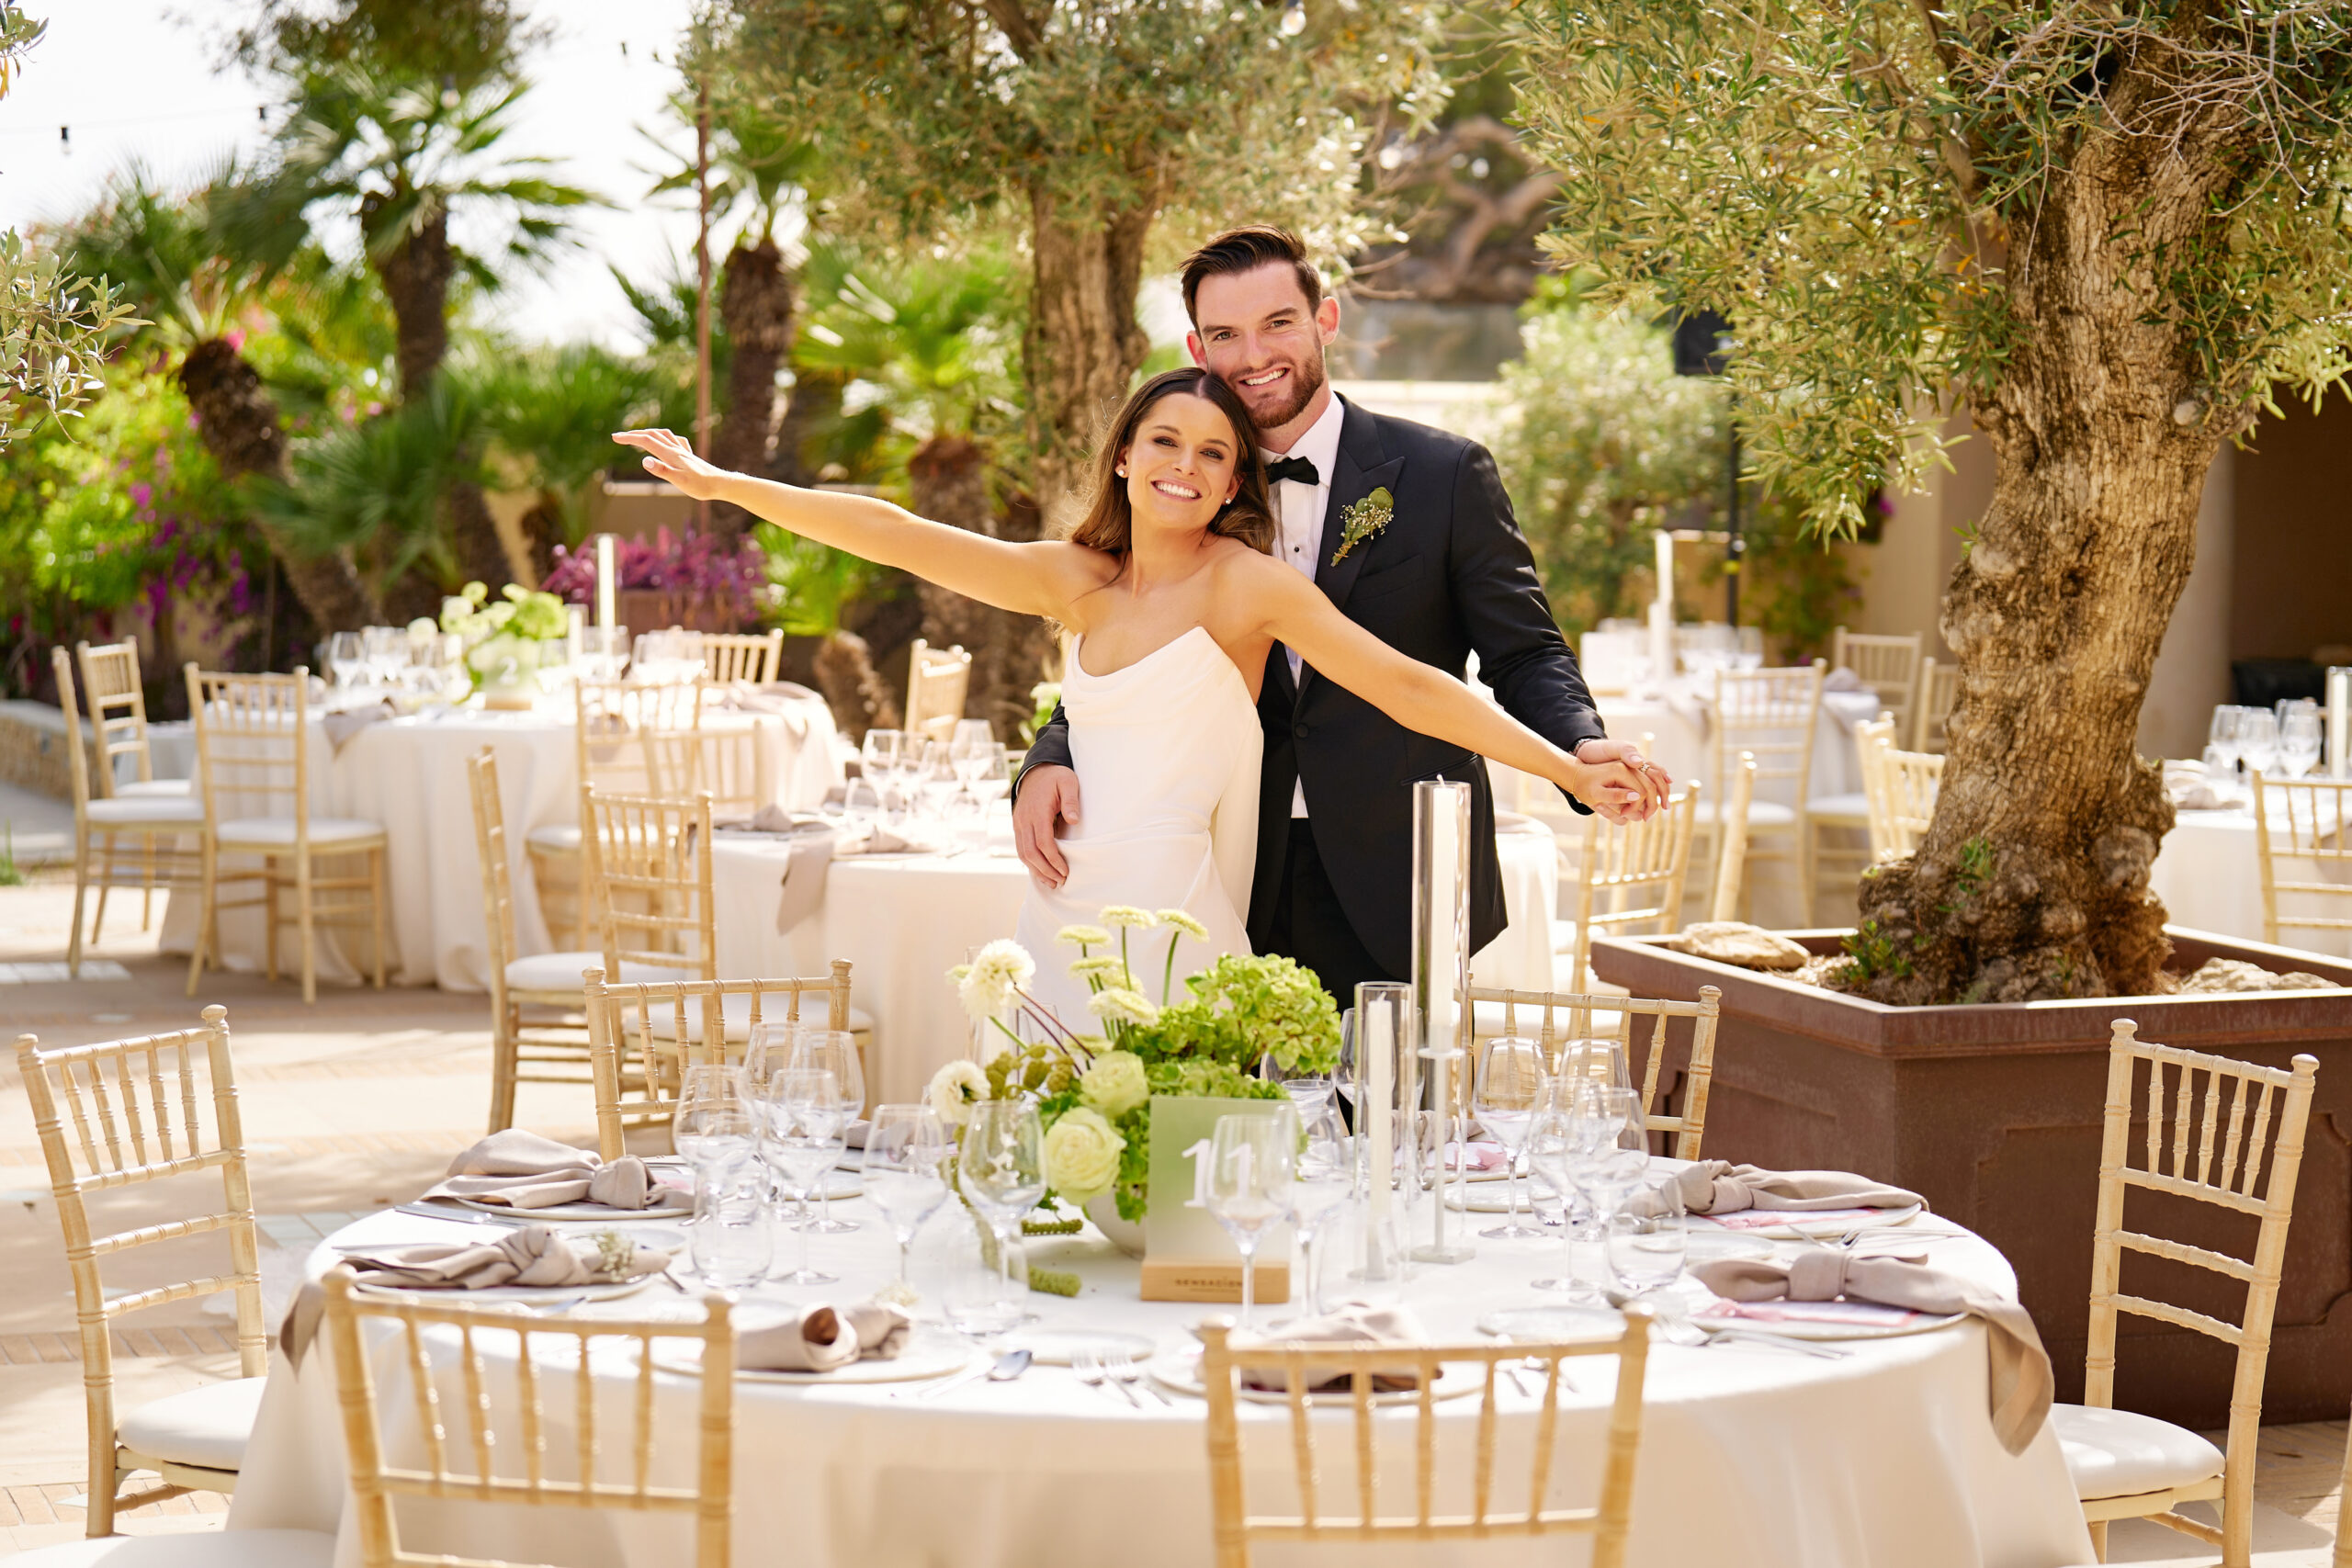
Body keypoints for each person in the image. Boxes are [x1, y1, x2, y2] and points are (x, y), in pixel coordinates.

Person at [615, 369, 1659, 1024]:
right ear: (1123, 456)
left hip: (1183, 906)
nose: (1185, 465)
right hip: (1061, 897)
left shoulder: (1244, 586)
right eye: (1163, 441)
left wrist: (1566, 766)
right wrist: (730, 487)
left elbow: (1406, 685)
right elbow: (897, 532)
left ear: (1231, 484)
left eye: (1213, 453)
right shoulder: (1077, 581)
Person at [1016, 225, 1665, 1008]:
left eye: (1277, 323)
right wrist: (1051, 752)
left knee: (1390, 1120)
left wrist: (1581, 746)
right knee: (1223, 1115)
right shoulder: (1186, 481)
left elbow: (1525, 653)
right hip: (1220, 859)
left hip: (1397, 861)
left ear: (1325, 319)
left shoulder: (1444, 473)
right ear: (1198, 350)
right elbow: (1129, 623)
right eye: (1226, 335)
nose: (1254, 356)